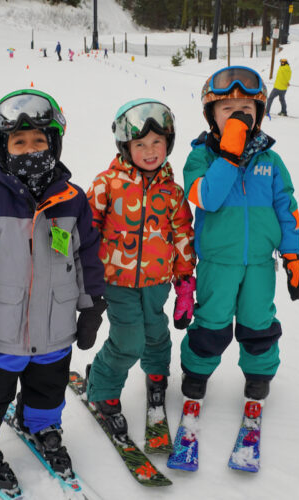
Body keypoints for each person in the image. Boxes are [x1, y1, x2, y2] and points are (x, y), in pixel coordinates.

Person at [0, 88, 106, 492]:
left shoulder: (73, 200)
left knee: (49, 389)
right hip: (1, 330)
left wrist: (90, 308)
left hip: (55, 326)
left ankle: (40, 426)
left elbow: (87, 257)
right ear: (3, 147)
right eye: (19, 142)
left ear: (55, 142)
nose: (29, 149)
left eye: (39, 140)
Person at [181, 66, 299, 409]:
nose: (238, 116)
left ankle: (259, 376)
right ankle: (196, 372)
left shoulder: (271, 160)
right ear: (211, 116)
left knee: (258, 323)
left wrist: (293, 256)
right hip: (217, 263)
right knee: (211, 324)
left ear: (259, 117)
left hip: (260, 265)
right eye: (228, 110)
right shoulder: (200, 157)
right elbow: (208, 196)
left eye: (247, 111)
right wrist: (229, 154)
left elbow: (287, 207)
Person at [85, 98, 196, 434]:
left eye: (157, 142)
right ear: (126, 146)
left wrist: (186, 285)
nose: (150, 151)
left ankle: (157, 373)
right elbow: (85, 227)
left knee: (156, 332)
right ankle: (103, 389)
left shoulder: (173, 193)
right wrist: (79, 273)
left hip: (157, 281)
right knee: (128, 340)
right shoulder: (107, 183)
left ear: (168, 143)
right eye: (140, 144)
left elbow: (182, 237)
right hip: (116, 280)